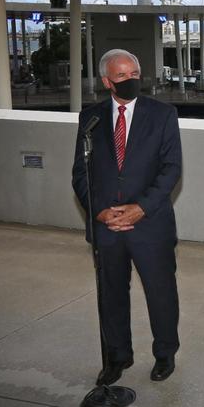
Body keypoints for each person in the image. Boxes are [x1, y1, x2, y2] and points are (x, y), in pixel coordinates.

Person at [71, 49, 183, 385]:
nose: (132, 80)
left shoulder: (163, 114)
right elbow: (80, 173)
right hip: (107, 225)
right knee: (111, 294)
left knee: (161, 293)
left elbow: (171, 168)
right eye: (122, 76)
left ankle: (165, 354)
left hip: (150, 223)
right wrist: (101, 211)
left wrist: (140, 207)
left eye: (135, 73)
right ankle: (117, 357)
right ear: (107, 81)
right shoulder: (89, 119)